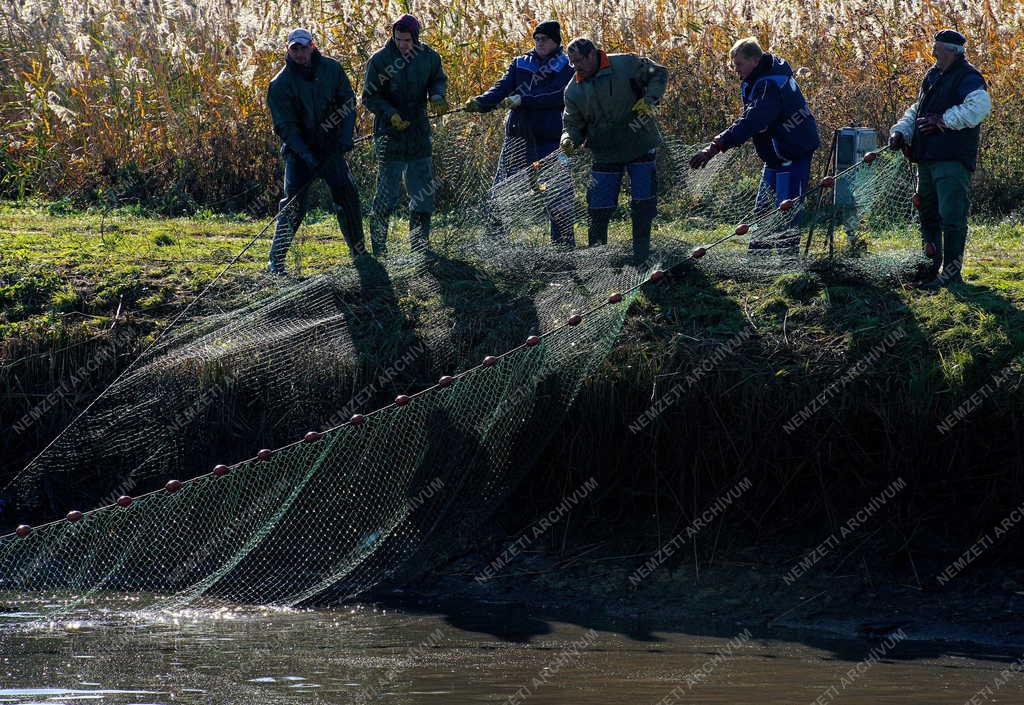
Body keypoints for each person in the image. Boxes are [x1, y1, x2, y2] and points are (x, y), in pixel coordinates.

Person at [689, 37, 820, 251]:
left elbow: (752, 120)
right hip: (775, 154)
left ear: (755, 61)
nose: (735, 69)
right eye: (733, 64)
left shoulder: (769, 85)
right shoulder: (762, 77)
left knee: (786, 209)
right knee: (764, 207)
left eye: (739, 64)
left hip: (794, 150)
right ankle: (760, 254)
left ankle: (787, 262)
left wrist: (714, 148)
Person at [889, 30, 991, 289]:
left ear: (952, 51)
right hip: (926, 158)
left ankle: (951, 274)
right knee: (927, 213)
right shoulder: (933, 75)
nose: (932, 53)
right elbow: (918, 109)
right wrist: (901, 131)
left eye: (937, 48)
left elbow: (980, 108)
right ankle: (929, 269)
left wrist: (943, 120)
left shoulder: (968, 76)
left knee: (951, 217)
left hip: (951, 160)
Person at [463, 20, 576, 246]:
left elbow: (559, 96)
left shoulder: (566, 66)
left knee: (558, 193)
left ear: (556, 42)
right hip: (518, 137)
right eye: (537, 38)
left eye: (546, 39)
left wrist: (524, 100)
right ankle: (494, 242)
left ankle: (563, 244)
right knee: (501, 190)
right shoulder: (520, 63)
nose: (540, 43)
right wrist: (480, 102)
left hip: (551, 138)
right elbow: (501, 88)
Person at [266, 28, 366, 274]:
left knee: (347, 195)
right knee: (294, 204)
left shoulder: (332, 69)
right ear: (288, 50)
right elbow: (285, 127)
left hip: (331, 149)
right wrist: (306, 155)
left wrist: (344, 138)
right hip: (299, 154)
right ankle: (275, 262)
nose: (299, 53)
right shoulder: (279, 84)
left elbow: (348, 103)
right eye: (294, 49)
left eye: (303, 47)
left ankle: (360, 254)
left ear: (313, 46)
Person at [560, 38, 668, 263]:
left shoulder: (627, 63)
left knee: (643, 203)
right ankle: (598, 258)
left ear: (592, 54)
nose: (576, 66)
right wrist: (568, 139)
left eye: (579, 60)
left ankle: (642, 255)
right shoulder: (573, 91)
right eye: (571, 62)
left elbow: (659, 73)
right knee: (598, 207)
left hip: (640, 142)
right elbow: (572, 125)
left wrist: (650, 100)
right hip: (604, 152)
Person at [361, 14, 448, 256]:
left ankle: (420, 247)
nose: (402, 44)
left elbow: (437, 80)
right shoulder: (379, 60)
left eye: (407, 40)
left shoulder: (429, 57)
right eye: (398, 39)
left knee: (422, 193)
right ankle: (380, 250)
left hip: (419, 132)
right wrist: (390, 114)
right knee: (386, 194)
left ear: (416, 38)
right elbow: (369, 96)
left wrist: (438, 96)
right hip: (389, 134)